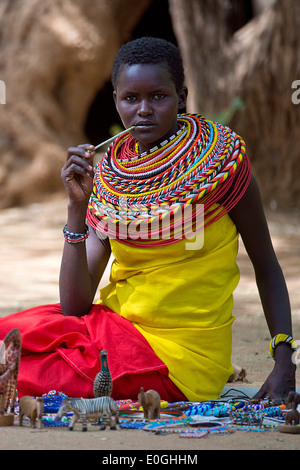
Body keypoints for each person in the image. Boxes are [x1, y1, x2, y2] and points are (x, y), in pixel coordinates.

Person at [0, 37, 296, 403]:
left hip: (179, 358)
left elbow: (266, 264)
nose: (143, 110)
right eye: (131, 98)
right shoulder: (109, 180)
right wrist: (77, 208)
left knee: (30, 374)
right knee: (10, 336)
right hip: (113, 330)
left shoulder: (221, 165)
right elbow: (75, 306)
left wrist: (286, 360)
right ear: (115, 101)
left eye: (158, 96)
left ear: (181, 96)